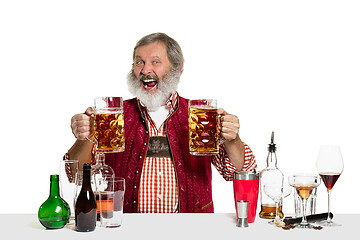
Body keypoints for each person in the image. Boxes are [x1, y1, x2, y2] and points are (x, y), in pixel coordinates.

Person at [66, 32, 257, 213]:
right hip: (124, 228)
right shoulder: (112, 116)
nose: (145, 70)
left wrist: (233, 139)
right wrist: (86, 136)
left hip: (192, 229)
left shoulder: (201, 117)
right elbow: (74, 174)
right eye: (139, 62)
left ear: (177, 67)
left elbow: (242, 171)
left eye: (155, 62)